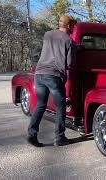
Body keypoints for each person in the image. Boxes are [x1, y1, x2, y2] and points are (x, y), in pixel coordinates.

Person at [27, 15, 77, 147]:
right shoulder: (70, 41)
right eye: (73, 26)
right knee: (61, 107)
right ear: (68, 26)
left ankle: (32, 134)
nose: (73, 28)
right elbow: (71, 64)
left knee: (40, 104)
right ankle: (60, 138)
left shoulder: (47, 34)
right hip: (53, 76)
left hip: (39, 73)